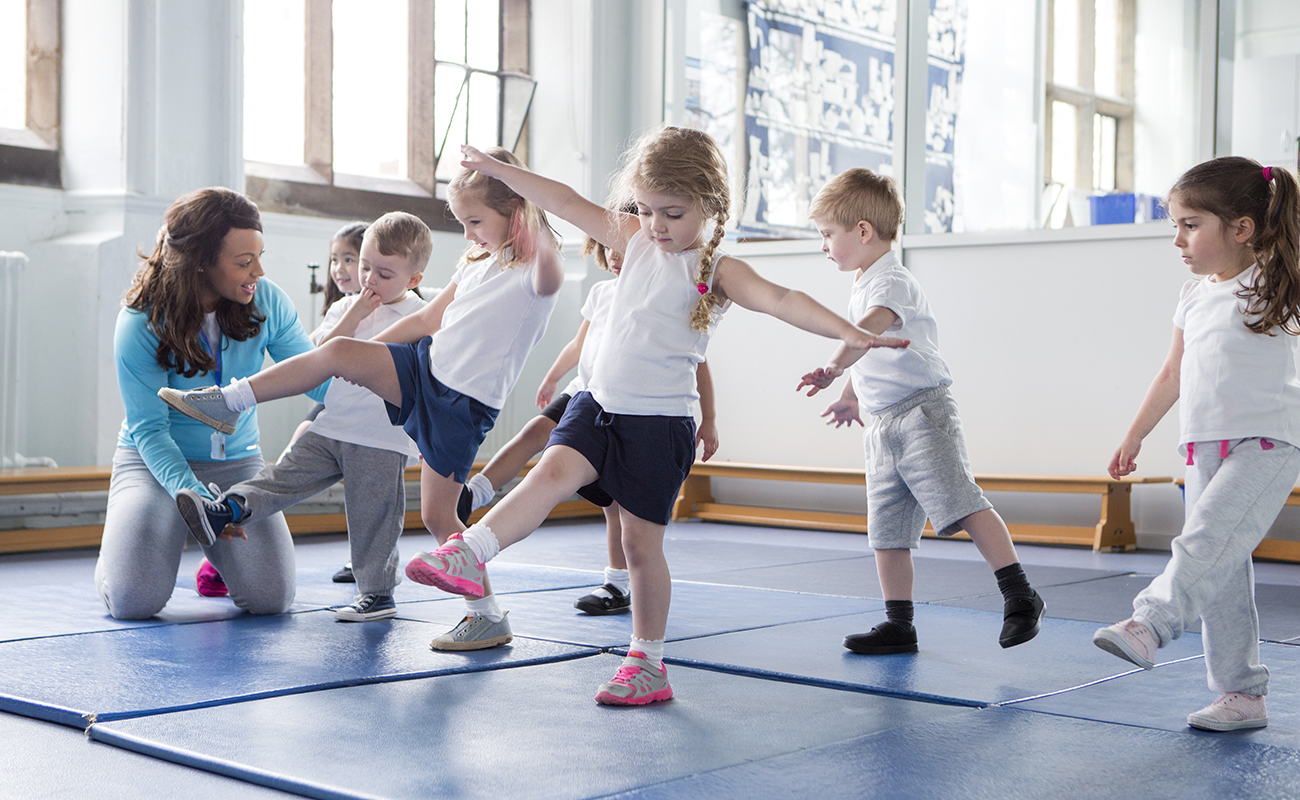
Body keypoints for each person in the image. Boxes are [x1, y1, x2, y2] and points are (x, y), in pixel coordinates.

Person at [403, 127, 907, 706]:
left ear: (710, 206)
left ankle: (647, 661)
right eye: (645, 209)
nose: (656, 224)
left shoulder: (716, 269)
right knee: (547, 475)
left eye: (672, 212)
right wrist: (502, 172)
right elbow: (563, 200)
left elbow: (783, 300)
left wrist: (851, 333)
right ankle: (471, 552)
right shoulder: (634, 239)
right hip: (598, 405)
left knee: (642, 547)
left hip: (659, 424)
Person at [159, 147, 564, 651]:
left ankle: (486, 616)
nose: (468, 234)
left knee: (440, 517)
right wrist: (361, 355)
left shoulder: (535, 271)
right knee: (338, 353)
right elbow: (424, 322)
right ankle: (226, 402)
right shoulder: (476, 259)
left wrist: (525, 198)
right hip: (423, 371)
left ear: (518, 212)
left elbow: (549, 272)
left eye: (475, 221)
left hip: (461, 403)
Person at [796, 167, 1045, 656]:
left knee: (961, 501)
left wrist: (831, 365)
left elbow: (866, 331)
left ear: (862, 230)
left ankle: (1020, 594)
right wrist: (850, 393)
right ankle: (899, 624)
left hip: (922, 415)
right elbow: (871, 347)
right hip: (883, 422)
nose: (823, 245)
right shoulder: (865, 280)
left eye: (828, 234)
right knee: (887, 531)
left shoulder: (894, 282)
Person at [1093, 157, 1300, 732]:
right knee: (1222, 572)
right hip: (1203, 446)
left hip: (1268, 442)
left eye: (1191, 224)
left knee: (1203, 542)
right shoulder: (1192, 294)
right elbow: (1172, 373)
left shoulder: (1278, 280)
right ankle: (1242, 695)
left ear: (1242, 228)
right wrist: (1134, 434)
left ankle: (1150, 623)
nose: (1178, 240)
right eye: (1175, 226)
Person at [174, 213, 429, 622]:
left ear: (413, 279)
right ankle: (224, 510)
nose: (369, 280)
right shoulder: (345, 308)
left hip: (381, 435)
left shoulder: (420, 317)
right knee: (282, 475)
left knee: (372, 515)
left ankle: (378, 593)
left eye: (383, 273)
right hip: (332, 425)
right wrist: (356, 311)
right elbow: (319, 356)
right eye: (364, 267)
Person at [95, 187, 327, 620]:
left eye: (259, 256)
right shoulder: (140, 321)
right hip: (154, 463)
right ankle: (122, 556)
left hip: (237, 464)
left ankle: (217, 559)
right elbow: (149, 430)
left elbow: (315, 378)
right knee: (133, 602)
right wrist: (202, 504)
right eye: (244, 262)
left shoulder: (267, 300)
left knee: (271, 599)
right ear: (201, 260)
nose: (258, 270)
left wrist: (383, 396)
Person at [457, 238, 719, 615]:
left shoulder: (663, 298)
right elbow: (579, 345)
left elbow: (700, 362)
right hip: (585, 393)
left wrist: (709, 419)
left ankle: (616, 582)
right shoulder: (601, 292)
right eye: (608, 246)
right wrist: (551, 378)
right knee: (534, 434)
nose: (614, 255)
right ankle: (476, 492)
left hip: (631, 409)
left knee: (616, 506)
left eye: (622, 247)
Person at [198, 220, 369, 596]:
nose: (339, 269)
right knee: (294, 454)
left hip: (369, 408)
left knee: (368, 479)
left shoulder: (398, 308)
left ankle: (367, 560)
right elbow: (316, 357)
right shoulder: (340, 308)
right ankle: (224, 548)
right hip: (334, 400)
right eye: (334, 260)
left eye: (350, 260)